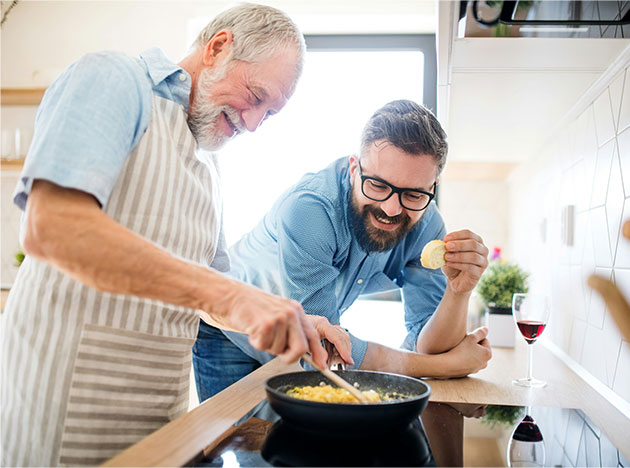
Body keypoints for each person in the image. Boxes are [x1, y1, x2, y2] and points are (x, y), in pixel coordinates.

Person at [0, 4, 328, 466]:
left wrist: (285, 316)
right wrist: (229, 296)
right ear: (218, 47)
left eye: (268, 115)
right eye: (255, 96)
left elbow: (212, 301)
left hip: (162, 422)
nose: (253, 125)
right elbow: (51, 228)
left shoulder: (209, 161)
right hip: (62, 410)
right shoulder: (114, 78)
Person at [193, 99, 493, 402]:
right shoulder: (310, 209)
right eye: (377, 185)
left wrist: (459, 291)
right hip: (230, 335)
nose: (391, 209)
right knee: (233, 441)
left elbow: (428, 343)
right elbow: (328, 347)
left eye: (414, 194)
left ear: (432, 187)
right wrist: (443, 366)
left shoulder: (427, 224)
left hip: (301, 344)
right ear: (354, 169)